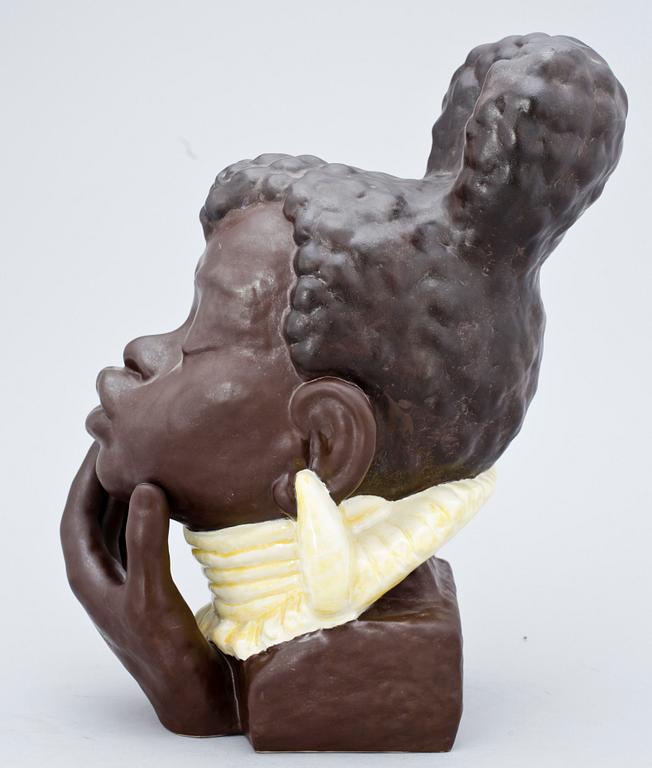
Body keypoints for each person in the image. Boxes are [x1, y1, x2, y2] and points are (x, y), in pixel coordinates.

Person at [61, 33, 626, 746]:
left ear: (324, 444)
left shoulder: (340, 664)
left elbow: (214, 699)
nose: (143, 350)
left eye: (201, 328)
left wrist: (193, 694)